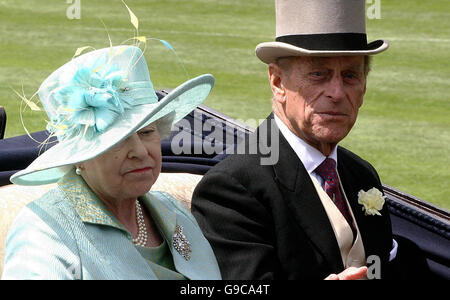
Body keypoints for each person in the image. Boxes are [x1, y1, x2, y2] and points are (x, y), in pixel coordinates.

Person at [191, 0, 397, 280]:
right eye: (318, 74)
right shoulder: (233, 189)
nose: (337, 93)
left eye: (350, 75)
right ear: (277, 82)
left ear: (364, 86)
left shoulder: (361, 175)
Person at [2, 45, 221, 279]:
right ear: (79, 157)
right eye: (117, 140)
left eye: (147, 132)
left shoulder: (172, 210)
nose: (139, 151)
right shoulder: (45, 229)